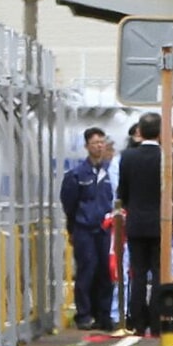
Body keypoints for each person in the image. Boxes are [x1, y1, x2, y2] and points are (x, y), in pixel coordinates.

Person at [60, 127, 116, 331]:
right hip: (84, 229)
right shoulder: (76, 175)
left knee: (106, 271)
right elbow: (69, 203)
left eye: (102, 142)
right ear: (86, 146)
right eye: (95, 143)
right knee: (87, 270)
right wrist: (73, 228)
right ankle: (84, 314)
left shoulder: (110, 172)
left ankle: (104, 314)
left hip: (106, 229)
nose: (99, 146)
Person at [117, 112, 164, 335]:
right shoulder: (167, 156)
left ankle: (136, 321)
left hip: (135, 220)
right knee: (158, 272)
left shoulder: (127, 157)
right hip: (160, 222)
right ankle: (156, 321)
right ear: (161, 132)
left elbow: (122, 191)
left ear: (139, 131)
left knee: (137, 272)